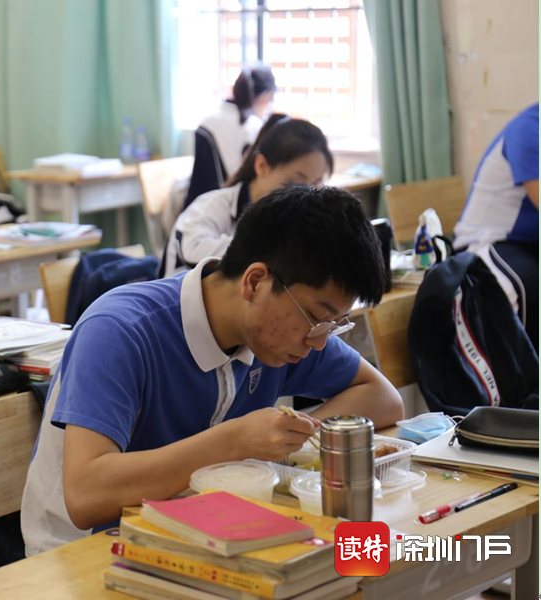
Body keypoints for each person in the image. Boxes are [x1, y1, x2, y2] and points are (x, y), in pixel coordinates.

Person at [21, 184, 404, 555]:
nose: (318, 342)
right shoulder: (120, 331)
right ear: (255, 282)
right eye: (317, 318)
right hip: (81, 554)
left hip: (202, 531)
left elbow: (383, 399)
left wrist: (298, 437)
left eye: (333, 325)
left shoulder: (278, 334)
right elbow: (86, 496)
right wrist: (235, 443)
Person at [162, 114, 332, 278]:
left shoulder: (297, 216)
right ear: (262, 166)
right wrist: (276, 245)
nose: (305, 194)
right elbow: (193, 250)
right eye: (296, 183)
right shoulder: (211, 206)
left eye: (316, 183)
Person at [453, 103, 539, 350]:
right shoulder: (529, 128)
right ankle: (524, 372)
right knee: (531, 284)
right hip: (484, 243)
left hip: (526, 245)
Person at [184, 63, 277, 210]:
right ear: (266, 97)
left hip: (195, 208)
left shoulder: (207, 122)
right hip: (227, 212)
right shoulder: (255, 127)